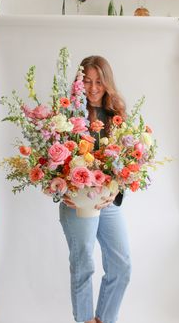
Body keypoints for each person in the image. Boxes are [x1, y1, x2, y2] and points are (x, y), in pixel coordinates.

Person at [59, 56, 131, 323]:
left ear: (107, 82)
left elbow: (127, 163)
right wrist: (60, 189)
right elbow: (50, 162)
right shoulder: (66, 115)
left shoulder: (117, 117)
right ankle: (85, 320)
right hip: (77, 203)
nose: (92, 87)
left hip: (107, 202)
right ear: (79, 83)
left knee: (121, 266)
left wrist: (115, 190)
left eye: (98, 81)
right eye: (86, 81)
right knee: (83, 267)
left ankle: (104, 320)